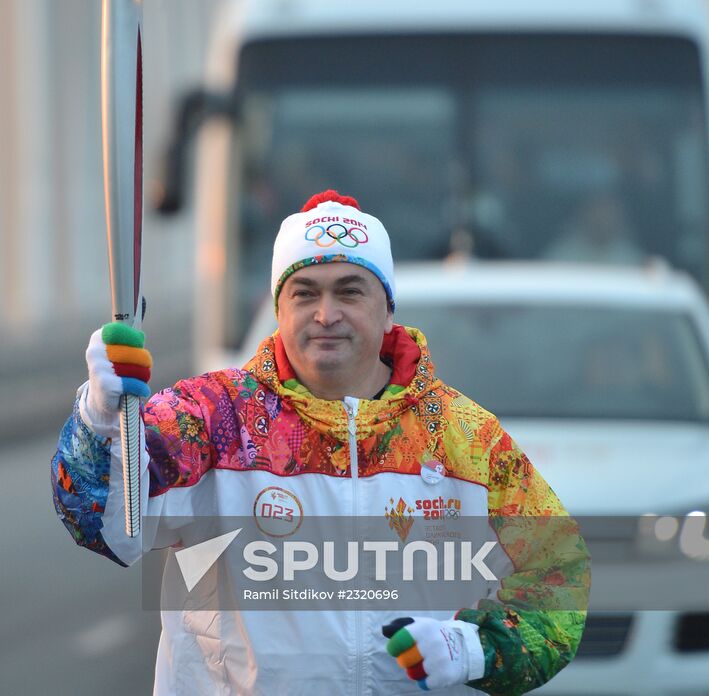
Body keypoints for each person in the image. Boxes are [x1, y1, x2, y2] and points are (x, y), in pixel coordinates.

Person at [52, 190, 588, 695]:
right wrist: (101, 418)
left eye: (349, 291)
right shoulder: (213, 419)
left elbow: (558, 577)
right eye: (304, 293)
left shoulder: (464, 439)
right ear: (280, 310)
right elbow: (106, 528)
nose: (326, 315)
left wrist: (474, 649)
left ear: (387, 309)